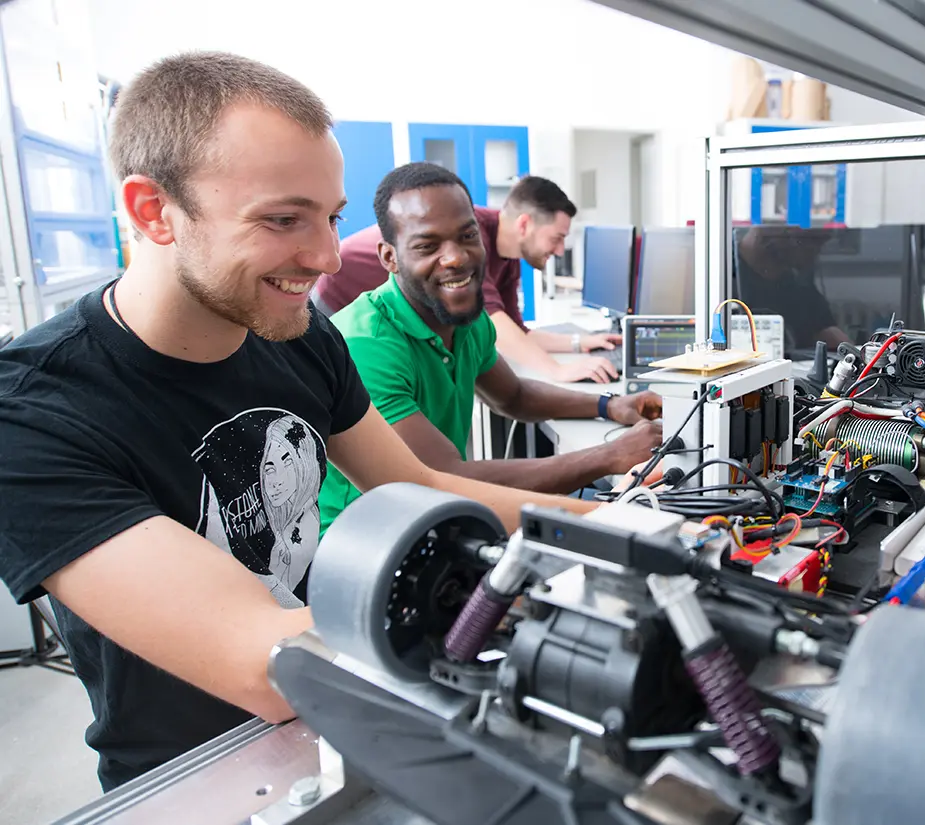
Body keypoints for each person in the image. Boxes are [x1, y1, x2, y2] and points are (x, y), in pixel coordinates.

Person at [0, 52, 607, 792]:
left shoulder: (296, 335)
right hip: (196, 778)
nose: (324, 257)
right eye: (284, 219)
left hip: (349, 716)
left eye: (331, 218)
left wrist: (628, 537)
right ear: (153, 211)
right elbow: (261, 658)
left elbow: (414, 483)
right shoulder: (31, 412)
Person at [317, 163, 663, 531]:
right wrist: (610, 456)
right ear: (389, 258)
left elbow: (513, 396)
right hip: (362, 541)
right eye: (427, 245)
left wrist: (610, 406)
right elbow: (444, 478)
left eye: (467, 237)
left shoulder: (463, 317)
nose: (456, 257)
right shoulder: (364, 344)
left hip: (431, 520)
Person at [312, 177, 623, 383]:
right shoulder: (472, 237)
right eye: (557, 238)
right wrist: (557, 371)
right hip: (337, 297)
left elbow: (515, 330)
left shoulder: (507, 256)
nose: (558, 250)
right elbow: (498, 328)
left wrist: (579, 343)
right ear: (525, 224)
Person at [734, 225, 853, 353]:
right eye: (810, 242)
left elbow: (829, 333)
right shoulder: (720, 281)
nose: (815, 252)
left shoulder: (797, 287)